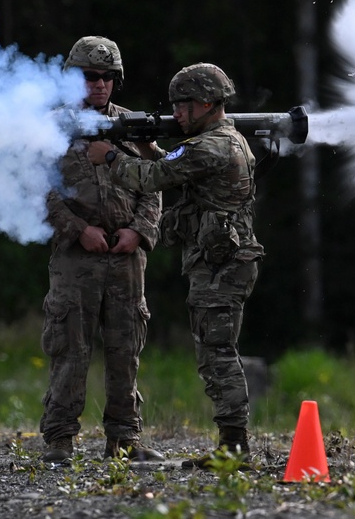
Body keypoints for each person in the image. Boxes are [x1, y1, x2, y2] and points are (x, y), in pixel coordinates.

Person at [88, 62, 263, 467]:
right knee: (215, 351)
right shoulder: (216, 141)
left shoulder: (213, 145)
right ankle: (232, 445)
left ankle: (235, 448)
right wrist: (148, 147)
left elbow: (150, 179)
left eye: (182, 106)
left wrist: (110, 156)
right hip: (220, 260)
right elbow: (176, 167)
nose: (177, 114)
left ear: (206, 103)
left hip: (222, 264)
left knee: (218, 353)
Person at [40, 36, 165, 463]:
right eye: (89, 77)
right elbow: (41, 190)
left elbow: (155, 182)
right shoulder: (51, 126)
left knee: (125, 347)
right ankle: (59, 440)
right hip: (77, 257)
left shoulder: (135, 124)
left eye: (107, 77)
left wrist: (140, 231)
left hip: (127, 256)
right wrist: (78, 229)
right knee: (69, 347)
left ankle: (124, 438)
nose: (99, 84)